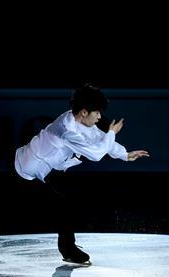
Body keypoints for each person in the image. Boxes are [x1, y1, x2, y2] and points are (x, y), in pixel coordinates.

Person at [13, 84, 149, 265]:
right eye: (97, 113)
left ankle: (68, 249)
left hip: (40, 171)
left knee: (63, 204)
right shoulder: (66, 131)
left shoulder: (77, 121)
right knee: (57, 206)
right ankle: (69, 250)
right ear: (84, 112)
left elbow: (98, 140)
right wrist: (111, 133)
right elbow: (95, 154)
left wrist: (124, 154)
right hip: (23, 172)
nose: (99, 117)